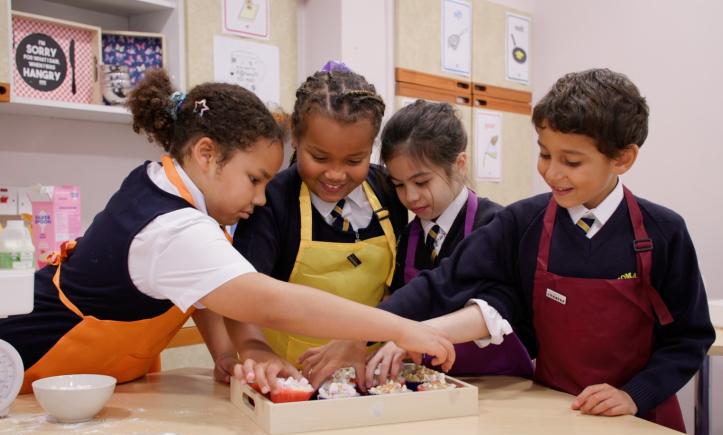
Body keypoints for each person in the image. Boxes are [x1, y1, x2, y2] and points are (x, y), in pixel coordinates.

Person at [0, 69, 454, 394]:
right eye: (255, 179)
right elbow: (269, 300)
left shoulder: (162, 186)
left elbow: (200, 286)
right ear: (206, 154)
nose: (260, 197)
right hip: (24, 361)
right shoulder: (172, 226)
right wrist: (401, 328)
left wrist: (225, 354)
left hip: (89, 376)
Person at [376, 69, 715, 432]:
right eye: (544, 154)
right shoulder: (523, 222)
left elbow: (689, 337)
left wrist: (634, 394)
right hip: (556, 415)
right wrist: (369, 330)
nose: (551, 173)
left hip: (642, 420)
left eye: (571, 162)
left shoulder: (663, 231)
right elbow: (443, 281)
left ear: (622, 159)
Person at [230, 61, 409, 389]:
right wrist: (257, 352)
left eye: (355, 161)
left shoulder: (388, 191)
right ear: (295, 139)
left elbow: (401, 287)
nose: (336, 174)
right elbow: (240, 298)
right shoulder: (272, 200)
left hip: (371, 373)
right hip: (290, 378)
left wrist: (360, 337)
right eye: (321, 158)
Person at [364, 100, 533, 388]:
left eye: (422, 181)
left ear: (459, 164)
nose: (411, 197)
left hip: (496, 382)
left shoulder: (495, 224)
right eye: (399, 185)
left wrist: (409, 333)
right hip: (431, 380)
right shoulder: (407, 236)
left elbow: (498, 308)